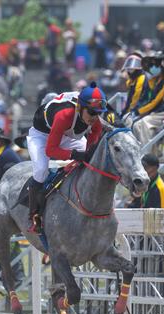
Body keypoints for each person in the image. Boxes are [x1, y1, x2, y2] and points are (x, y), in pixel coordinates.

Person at [26, 82, 106, 233]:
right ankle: (33, 215)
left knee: (91, 160)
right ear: (80, 107)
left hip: (67, 135)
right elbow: (51, 150)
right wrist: (74, 155)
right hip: (42, 136)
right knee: (41, 171)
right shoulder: (64, 115)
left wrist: (87, 155)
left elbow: (91, 146)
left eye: (99, 113)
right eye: (92, 112)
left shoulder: (94, 119)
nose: (95, 117)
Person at [121, 52, 149, 117]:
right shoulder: (132, 79)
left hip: (139, 110)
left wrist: (129, 112)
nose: (130, 69)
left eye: (132, 68)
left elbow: (136, 98)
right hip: (133, 109)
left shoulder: (141, 78)